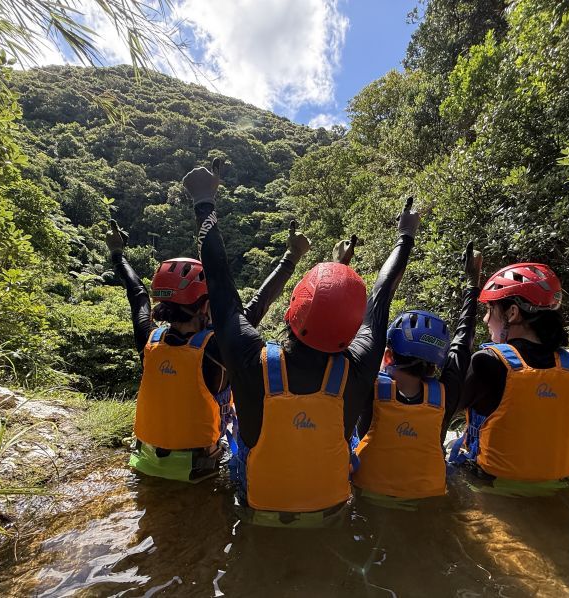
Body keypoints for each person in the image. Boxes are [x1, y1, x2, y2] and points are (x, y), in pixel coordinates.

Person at [182, 158, 420, 525]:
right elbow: (383, 294)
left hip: (256, 517)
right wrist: (405, 236)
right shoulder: (360, 366)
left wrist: (205, 204)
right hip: (333, 516)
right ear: (351, 329)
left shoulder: (251, 359)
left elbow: (221, 289)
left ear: (293, 310)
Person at [104, 211, 310, 483]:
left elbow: (137, 293)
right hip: (197, 472)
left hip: (142, 462)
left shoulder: (149, 338)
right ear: (204, 306)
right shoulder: (216, 348)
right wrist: (292, 256)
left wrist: (117, 252)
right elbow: (259, 303)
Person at [351, 242, 482, 500]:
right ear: (438, 361)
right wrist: (472, 282)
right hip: (427, 498)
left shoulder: (369, 387)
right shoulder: (446, 394)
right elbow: (463, 341)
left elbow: (372, 319)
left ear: (388, 354)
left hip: (369, 496)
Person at [450, 262, 569, 484]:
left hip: (488, 484)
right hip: (558, 485)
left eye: (490, 310)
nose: (486, 319)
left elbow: (440, 412)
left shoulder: (487, 362)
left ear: (513, 313)